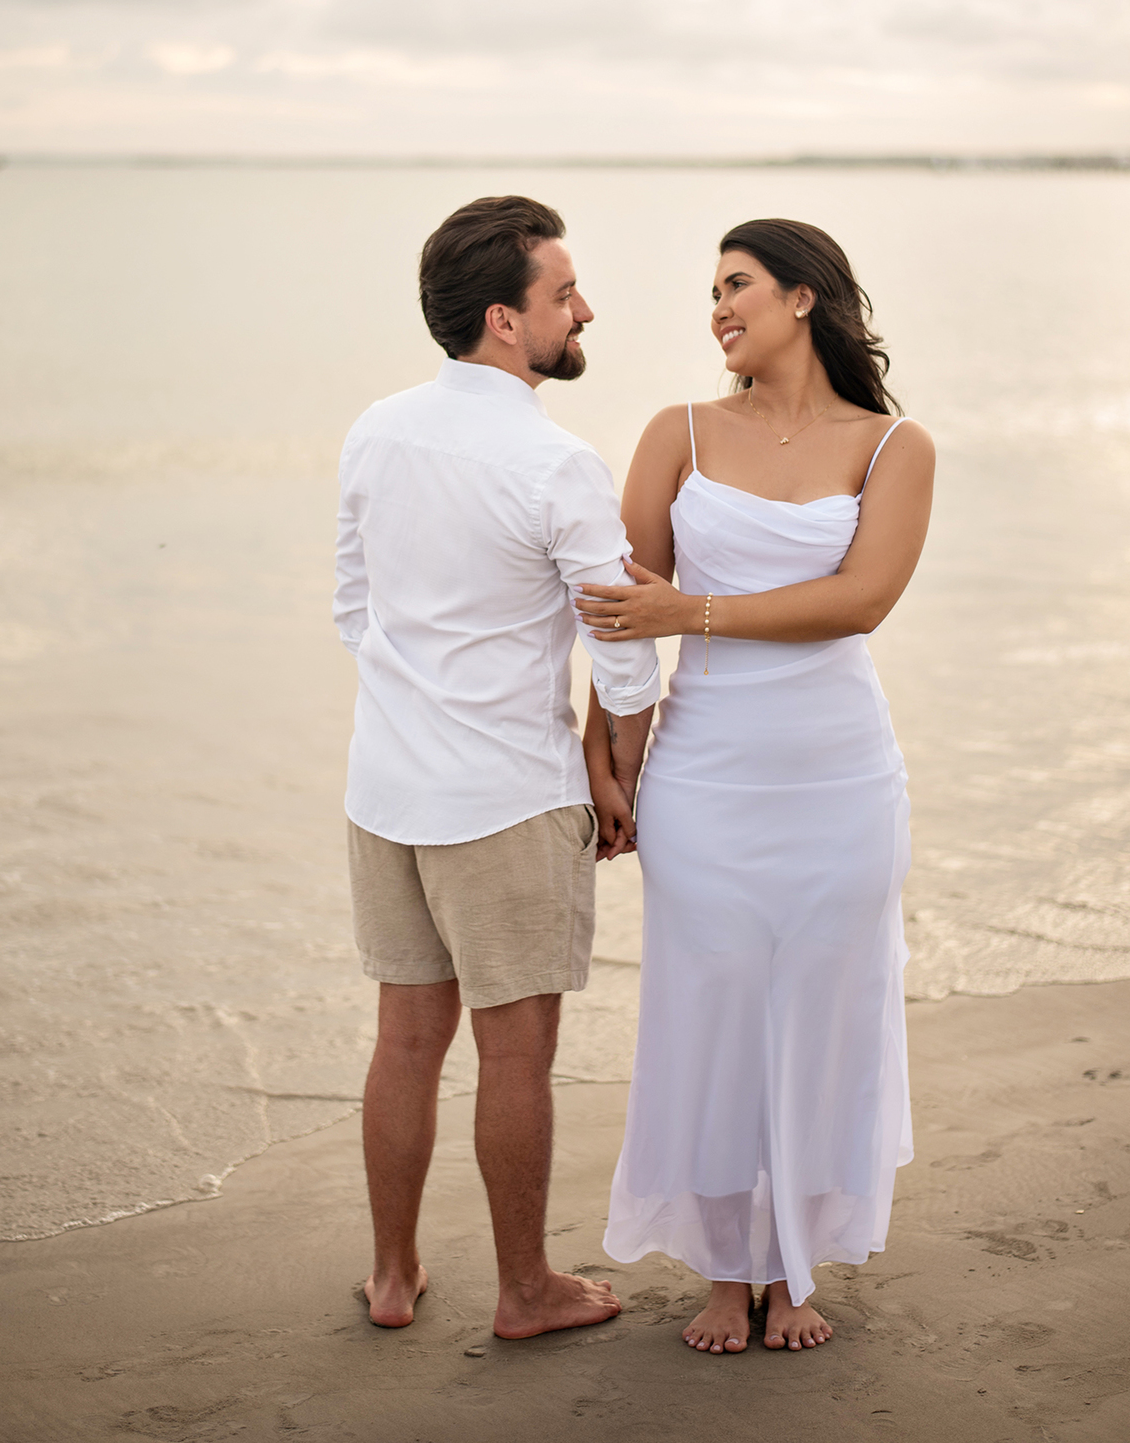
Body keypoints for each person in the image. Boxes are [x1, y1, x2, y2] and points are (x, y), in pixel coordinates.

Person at [577, 218, 934, 1356]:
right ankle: (724, 1269)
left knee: (825, 1016)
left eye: (737, 285)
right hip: (707, 775)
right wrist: (610, 755)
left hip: (840, 776)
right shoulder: (675, 432)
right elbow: (624, 616)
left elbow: (862, 600)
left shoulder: (894, 446)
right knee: (714, 1009)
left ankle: (794, 1267)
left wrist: (699, 613)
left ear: (804, 299)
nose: (718, 307)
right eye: (713, 291)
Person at [334, 195, 659, 1341]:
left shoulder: (375, 428)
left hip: (385, 790)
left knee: (405, 1040)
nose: (583, 310)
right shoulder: (555, 460)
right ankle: (526, 1290)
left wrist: (416, 699)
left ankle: (391, 1275)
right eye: (563, 293)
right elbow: (622, 653)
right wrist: (622, 773)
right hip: (508, 799)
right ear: (505, 323)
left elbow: (352, 607)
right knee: (515, 1054)